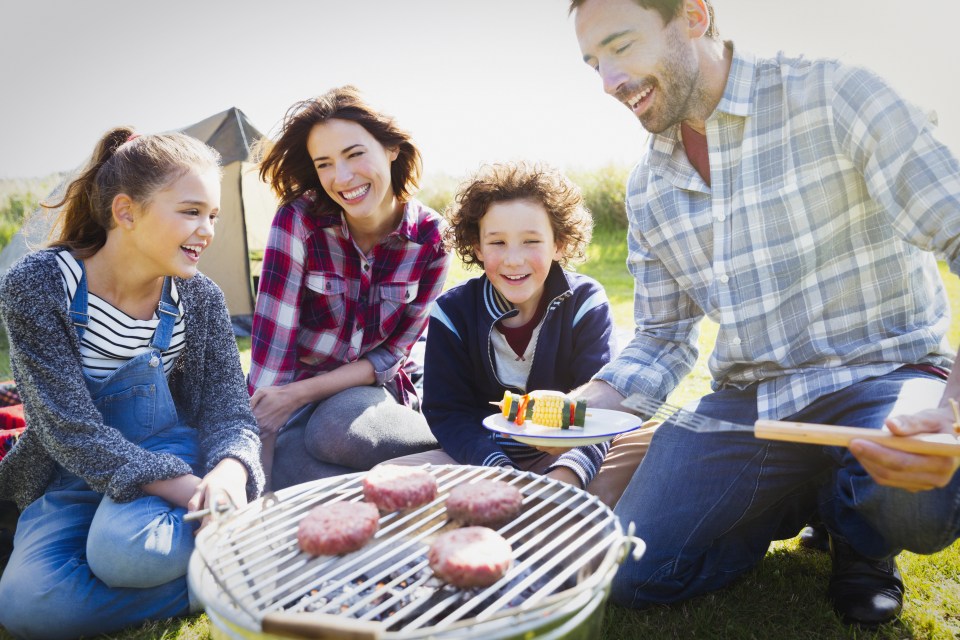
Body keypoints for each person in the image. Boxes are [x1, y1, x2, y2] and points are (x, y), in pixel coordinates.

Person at [568, 0, 960, 627]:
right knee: (634, 570)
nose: (608, 81)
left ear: (693, 16)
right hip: (752, 406)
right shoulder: (648, 188)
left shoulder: (837, 93)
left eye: (620, 46)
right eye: (593, 63)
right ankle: (816, 493)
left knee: (920, 497)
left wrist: (951, 409)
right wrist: (576, 406)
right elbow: (663, 337)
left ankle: (861, 534)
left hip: (885, 376)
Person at [0, 128, 264, 639]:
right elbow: (66, 429)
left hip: (173, 454)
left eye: (212, 215)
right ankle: (220, 575)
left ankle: (228, 543)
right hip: (76, 472)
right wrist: (192, 493)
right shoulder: (39, 284)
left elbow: (230, 414)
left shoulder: (199, 299)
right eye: (191, 211)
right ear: (126, 212)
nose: (206, 230)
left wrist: (228, 475)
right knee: (25, 603)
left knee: (123, 554)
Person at [385, 161, 646, 502]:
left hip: (569, 455)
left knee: (651, 441)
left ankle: (560, 505)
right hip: (483, 459)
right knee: (388, 477)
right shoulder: (453, 312)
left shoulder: (585, 302)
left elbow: (599, 416)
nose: (513, 259)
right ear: (477, 247)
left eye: (531, 241)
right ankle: (524, 510)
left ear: (559, 244)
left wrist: (567, 475)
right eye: (497, 243)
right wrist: (501, 472)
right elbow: (448, 414)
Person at [249, 86, 449, 491]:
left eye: (355, 154)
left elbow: (391, 355)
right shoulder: (298, 222)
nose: (341, 178)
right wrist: (259, 494)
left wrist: (300, 394)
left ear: (391, 148)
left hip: (366, 399)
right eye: (324, 164)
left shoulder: (431, 240)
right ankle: (413, 486)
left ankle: (458, 452)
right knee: (286, 471)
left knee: (335, 426)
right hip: (295, 408)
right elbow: (271, 364)